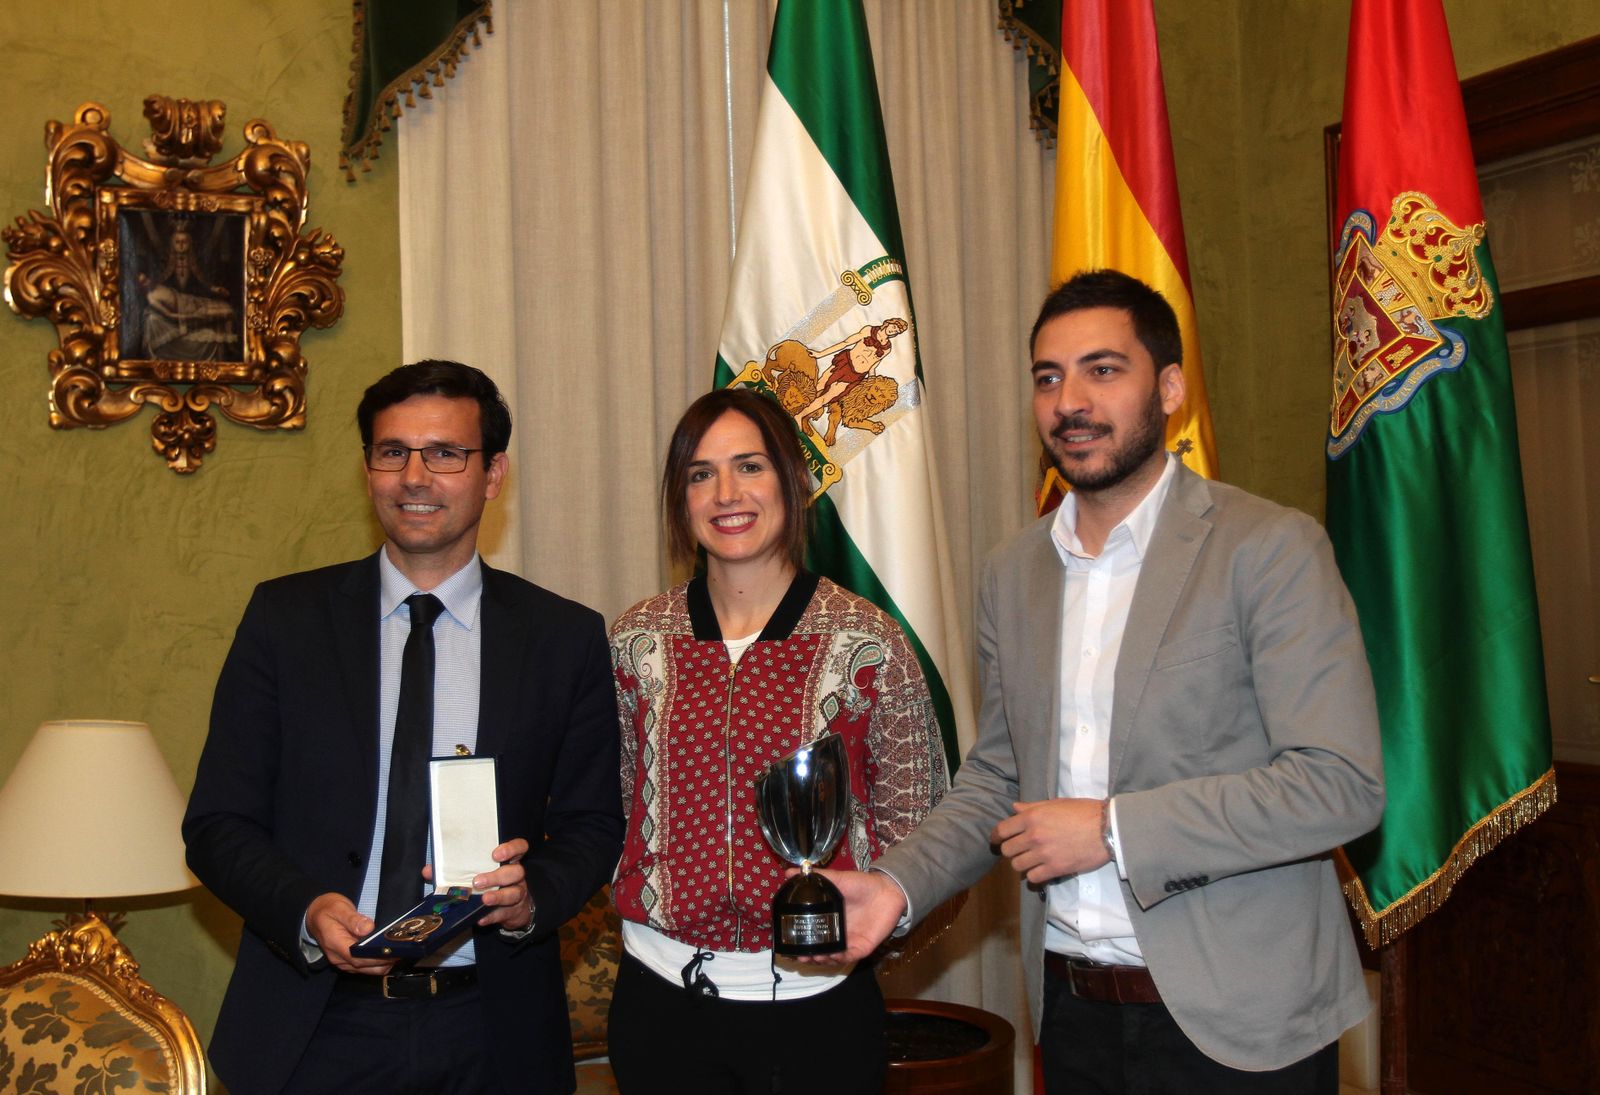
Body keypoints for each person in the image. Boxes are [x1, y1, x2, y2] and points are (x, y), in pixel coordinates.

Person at [820, 270, 1385, 1093]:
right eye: (1048, 378)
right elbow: (998, 779)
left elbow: (1340, 784)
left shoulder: (1268, 549)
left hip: (1241, 1027)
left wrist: (1113, 830)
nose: (1070, 402)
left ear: (1170, 389)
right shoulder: (1011, 572)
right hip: (1073, 1016)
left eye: (1103, 370)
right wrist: (894, 886)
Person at [183, 360, 623, 1095]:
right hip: (314, 1025)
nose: (415, 476)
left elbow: (593, 824)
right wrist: (306, 908)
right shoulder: (285, 621)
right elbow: (217, 823)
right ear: (368, 470)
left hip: (492, 1028)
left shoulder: (562, 637)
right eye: (393, 452)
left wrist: (530, 896)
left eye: (446, 453)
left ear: (493, 474)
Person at [605, 387, 948, 1094]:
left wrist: (870, 926)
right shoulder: (637, 640)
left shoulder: (867, 639)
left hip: (817, 1004)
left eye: (749, 466)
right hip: (661, 1001)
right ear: (679, 499)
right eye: (700, 473)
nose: (726, 494)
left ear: (793, 482)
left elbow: (919, 823)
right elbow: (613, 806)